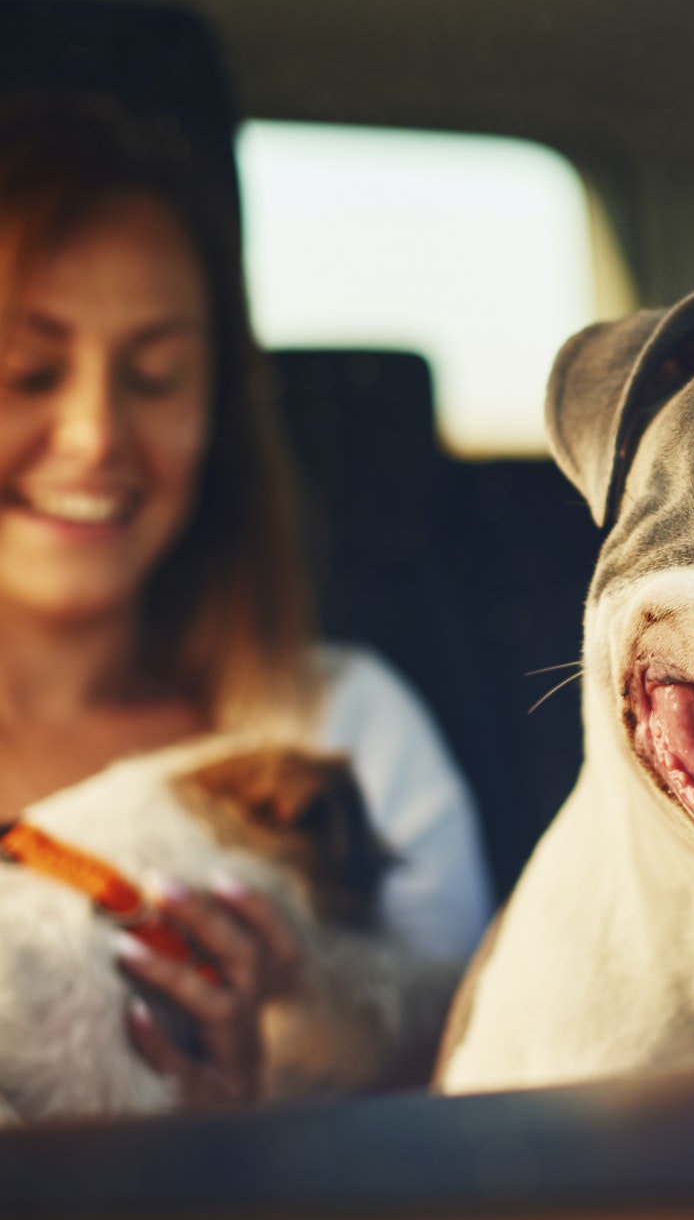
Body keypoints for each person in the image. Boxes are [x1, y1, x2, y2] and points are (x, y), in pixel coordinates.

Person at [0, 96, 491, 1105]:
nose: (96, 434)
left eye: (157, 374)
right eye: (28, 370)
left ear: (218, 409)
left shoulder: (343, 729)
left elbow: (473, 1093)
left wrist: (271, 1104)